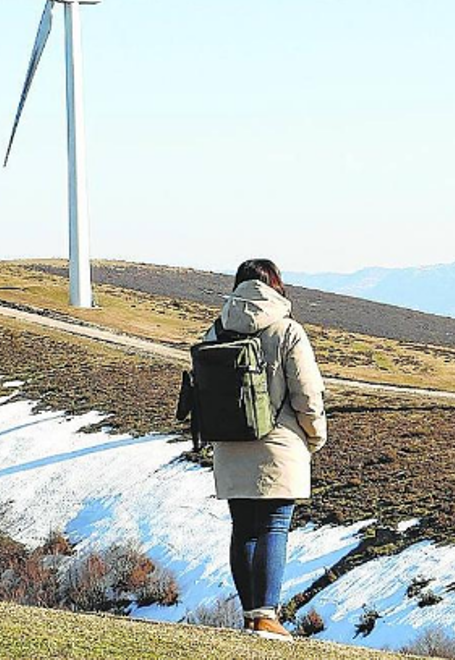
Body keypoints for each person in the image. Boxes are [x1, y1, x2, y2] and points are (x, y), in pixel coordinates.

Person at [206, 259, 326, 641]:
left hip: (229, 444)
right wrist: (314, 435)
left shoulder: (218, 329)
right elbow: (307, 394)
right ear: (276, 285)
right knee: (274, 525)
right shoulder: (288, 330)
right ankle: (267, 617)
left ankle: (250, 615)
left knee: (243, 529)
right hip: (279, 445)